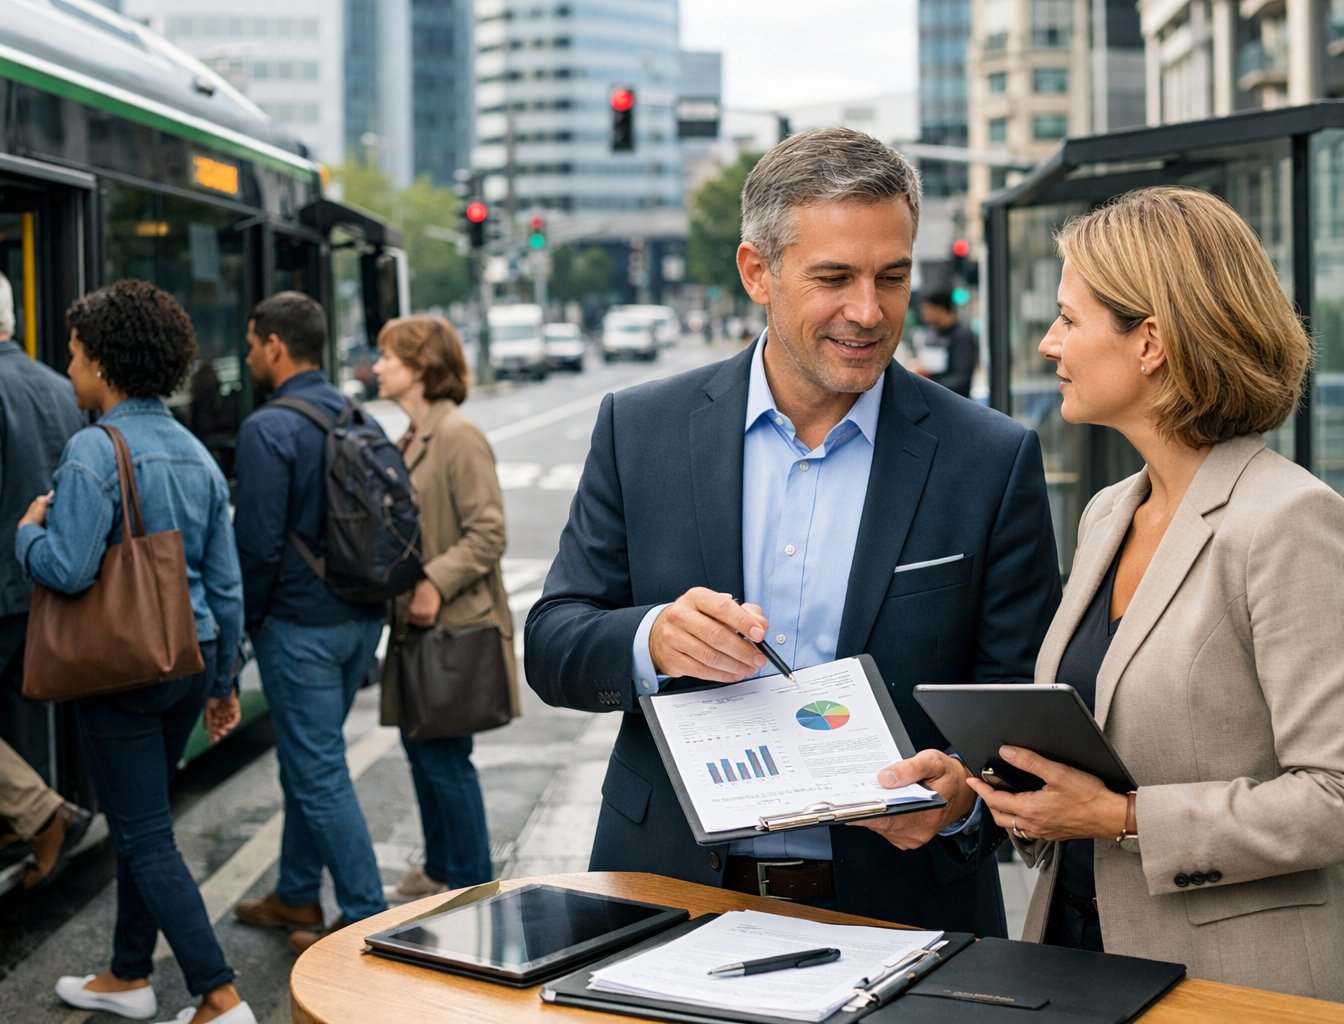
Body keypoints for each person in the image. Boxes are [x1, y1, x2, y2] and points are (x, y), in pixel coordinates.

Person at [524, 126, 1061, 937]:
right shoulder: (640, 429)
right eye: (834, 278)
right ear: (757, 273)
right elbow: (552, 643)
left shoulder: (990, 458)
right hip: (668, 895)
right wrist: (654, 641)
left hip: (902, 911)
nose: (869, 312)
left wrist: (960, 801)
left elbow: (1017, 717)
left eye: (893, 276)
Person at [966, 186, 1344, 998]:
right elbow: (1102, 745)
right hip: (1075, 954)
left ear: (1151, 343)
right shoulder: (1111, 511)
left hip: (1229, 984)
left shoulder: (1288, 521)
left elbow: (1334, 796)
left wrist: (1124, 819)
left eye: (1069, 319)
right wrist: (990, 782)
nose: (1046, 343)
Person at [17, 280, 250, 1024]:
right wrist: (222, 683)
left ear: (107, 364)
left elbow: (70, 567)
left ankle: (219, 996)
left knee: (145, 834)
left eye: (77, 354)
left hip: (121, 667)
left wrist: (27, 532)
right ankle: (127, 976)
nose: (70, 367)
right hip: (188, 658)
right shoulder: (195, 452)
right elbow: (226, 582)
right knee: (141, 819)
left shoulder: (93, 449)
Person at [231, 291, 388, 953]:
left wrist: (248, 623)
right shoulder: (359, 415)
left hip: (300, 627)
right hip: (362, 618)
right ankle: (297, 895)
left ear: (273, 345)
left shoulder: (267, 428)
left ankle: (365, 915)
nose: (246, 356)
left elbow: (258, 545)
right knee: (310, 756)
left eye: (250, 343)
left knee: (317, 768)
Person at [0, 266, 91, 889]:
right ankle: (40, 819)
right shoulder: (59, 386)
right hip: (46, 585)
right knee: (24, 709)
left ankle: (42, 814)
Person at [371, 315, 518, 901]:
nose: (376, 366)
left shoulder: (457, 435)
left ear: (421, 367)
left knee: (445, 755)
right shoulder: (412, 435)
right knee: (420, 743)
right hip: (418, 627)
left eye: (387, 357)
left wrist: (432, 583)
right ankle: (438, 867)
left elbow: (488, 532)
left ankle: (474, 885)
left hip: (451, 624)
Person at [910, 290, 977, 397]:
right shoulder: (930, 333)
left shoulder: (962, 335)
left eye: (927, 309)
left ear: (940, 309)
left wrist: (927, 385)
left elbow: (961, 378)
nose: (924, 314)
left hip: (954, 400)